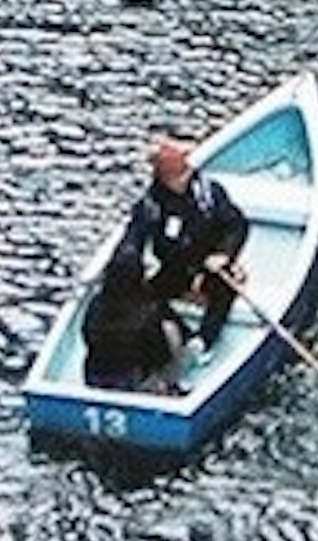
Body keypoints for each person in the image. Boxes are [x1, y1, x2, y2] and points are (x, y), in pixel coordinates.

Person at [84, 130, 250, 387]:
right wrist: (122, 269)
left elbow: (236, 225)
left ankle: (204, 340)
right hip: (175, 268)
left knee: (222, 287)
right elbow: (134, 237)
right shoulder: (152, 204)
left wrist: (223, 254)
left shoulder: (208, 194)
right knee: (141, 296)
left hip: (209, 266)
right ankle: (176, 334)